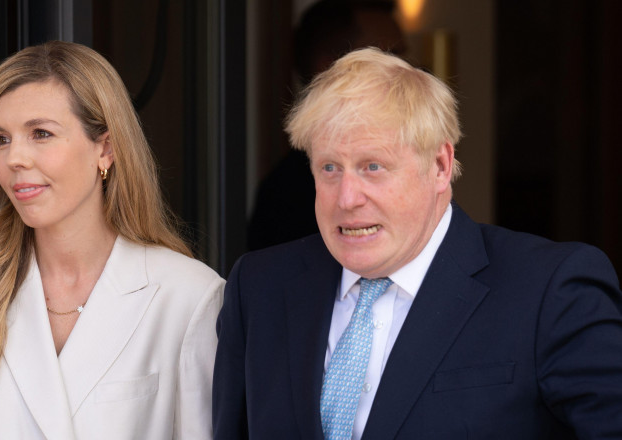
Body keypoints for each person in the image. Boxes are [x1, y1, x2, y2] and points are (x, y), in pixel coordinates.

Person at [213, 47, 622, 439]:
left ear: (440, 166)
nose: (347, 197)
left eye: (373, 167)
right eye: (330, 168)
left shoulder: (549, 291)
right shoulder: (260, 288)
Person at [0, 41, 224, 439]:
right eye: (1, 139)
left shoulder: (188, 296)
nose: (14, 159)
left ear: (105, 149)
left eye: (41, 133)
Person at [248, 0, 406, 251]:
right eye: (389, 57)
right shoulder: (288, 194)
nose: (406, 72)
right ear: (331, 69)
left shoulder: (414, 161)